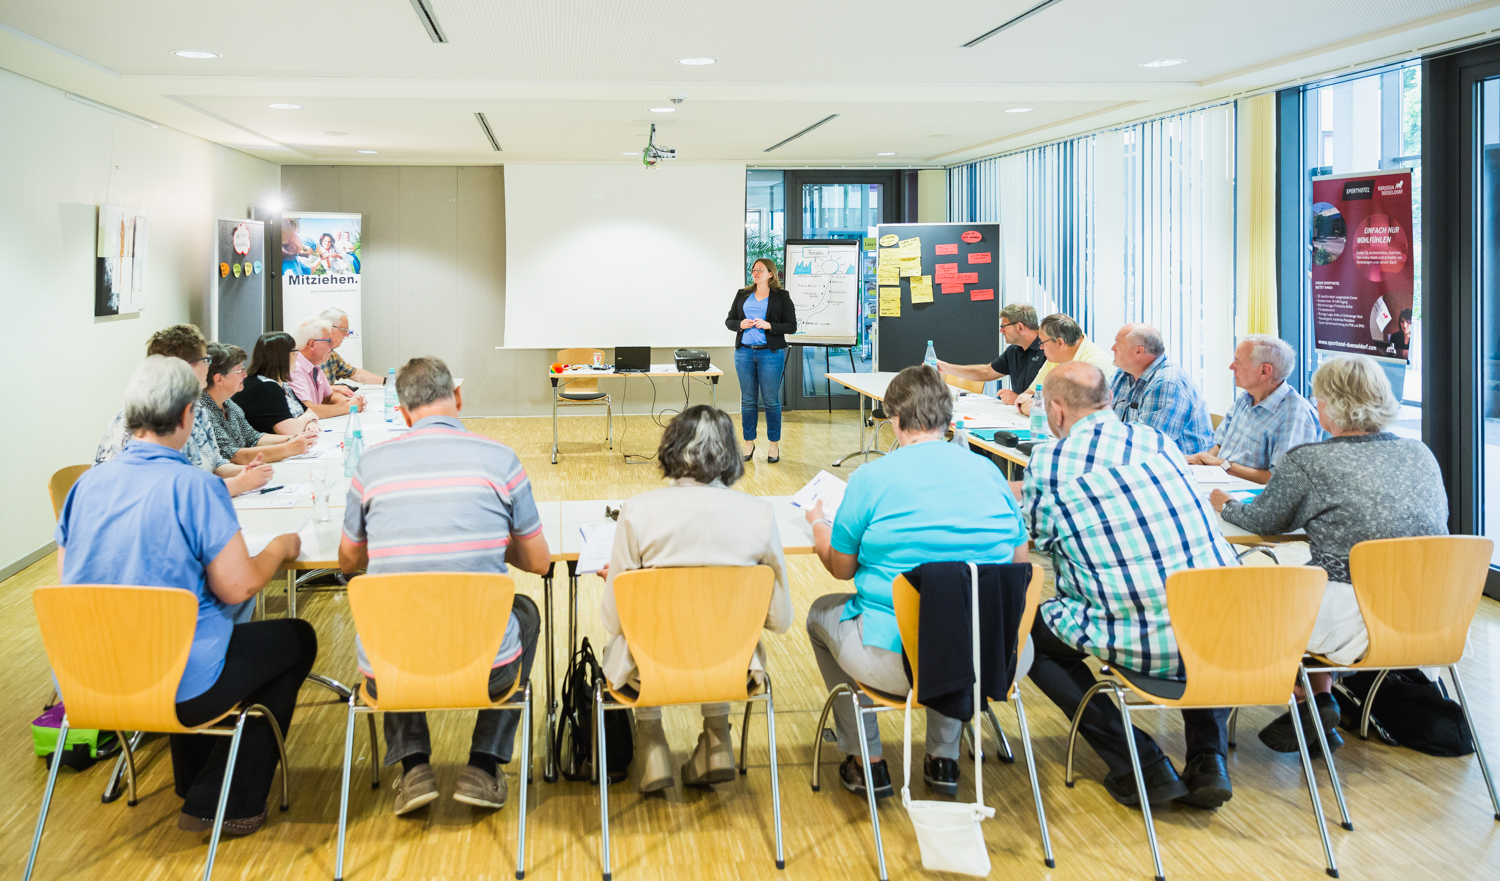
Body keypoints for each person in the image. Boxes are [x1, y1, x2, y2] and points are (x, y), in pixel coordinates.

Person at [58, 356, 314, 836]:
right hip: (179, 683)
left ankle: (194, 781)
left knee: (187, 632)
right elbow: (239, 585)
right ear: (187, 416)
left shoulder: (85, 487)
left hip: (91, 682)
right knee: (295, 639)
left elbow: (72, 587)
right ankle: (226, 796)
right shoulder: (195, 486)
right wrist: (280, 548)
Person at [804, 366, 1029, 799]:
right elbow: (1018, 564)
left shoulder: (871, 478)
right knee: (955, 604)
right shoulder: (989, 473)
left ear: (894, 418)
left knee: (820, 615)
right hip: (993, 654)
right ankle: (944, 757)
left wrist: (818, 526)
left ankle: (866, 759)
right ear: (947, 417)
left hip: (895, 659)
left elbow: (841, 568)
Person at [1023, 362, 1240, 810]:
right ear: (1108, 399)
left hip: (1137, 636)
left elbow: (1039, 539)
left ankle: (1139, 761)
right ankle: (1208, 760)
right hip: (1223, 629)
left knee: (1029, 639)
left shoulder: (1049, 461)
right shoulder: (1157, 441)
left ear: (1056, 411)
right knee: (1194, 598)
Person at [338, 356, 548, 815]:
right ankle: (484, 765)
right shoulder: (500, 459)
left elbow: (349, 561)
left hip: (393, 672)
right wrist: (491, 543)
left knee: (390, 618)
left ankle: (413, 767)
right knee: (525, 613)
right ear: (457, 396)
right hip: (486, 668)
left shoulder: (370, 465)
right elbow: (538, 561)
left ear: (402, 411)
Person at [1211, 354, 1447, 753]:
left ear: (1331, 405)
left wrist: (1226, 504)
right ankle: (1319, 700)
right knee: (1317, 579)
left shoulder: (1310, 460)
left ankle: (1305, 694)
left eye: (1318, 398)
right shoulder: (1420, 453)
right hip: (1435, 613)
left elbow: (1264, 520)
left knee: (1256, 589)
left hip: (1355, 617)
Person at [597, 405, 791, 791]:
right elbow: (780, 619)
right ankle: (718, 739)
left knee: (635, 636)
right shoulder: (760, 515)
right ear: (730, 453)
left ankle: (651, 741)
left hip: (647, 670)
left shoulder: (636, 513)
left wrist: (620, 587)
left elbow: (613, 620)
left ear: (670, 448)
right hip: (732, 669)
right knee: (716, 629)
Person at [96, 324, 272, 497]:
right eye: (206, 360)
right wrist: (240, 483)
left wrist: (246, 472)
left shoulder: (197, 409)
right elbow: (173, 492)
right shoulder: (149, 416)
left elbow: (215, 464)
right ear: (184, 367)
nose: (208, 367)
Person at [1186, 335, 1320, 484]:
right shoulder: (1246, 397)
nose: (1231, 367)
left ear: (1264, 371)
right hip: (1222, 481)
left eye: (1238, 362)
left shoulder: (1294, 416)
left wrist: (1223, 465)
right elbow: (1219, 444)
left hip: (1252, 493)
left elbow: (1282, 480)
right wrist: (1201, 461)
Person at [725, 257, 797, 463]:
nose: (755, 273)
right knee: (748, 400)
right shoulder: (743, 294)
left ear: (770, 273)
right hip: (744, 353)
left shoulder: (781, 296)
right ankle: (749, 444)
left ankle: (773, 446)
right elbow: (729, 321)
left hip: (770, 354)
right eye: (753, 270)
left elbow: (791, 326)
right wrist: (740, 324)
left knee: (771, 401)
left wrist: (769, 325)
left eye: (760, 270)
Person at [1109, 323, 1215, 455]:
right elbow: (1099, 416)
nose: (1112, 348)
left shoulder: (1167, 383)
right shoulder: (1123, 373)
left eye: (1118, 345)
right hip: (1137, 456)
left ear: (1139, 351)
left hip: (1182, 463)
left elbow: (1146, 445)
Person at [203, 343, 317, 465]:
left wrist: (292, 439)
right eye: (239, 370)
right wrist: (288, 448)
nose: (245, 375)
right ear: (219, 379)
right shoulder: (203, 411)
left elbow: (253, 437)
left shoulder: (228, 404)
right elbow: (232, 456)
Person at [935, 302, 1046, 403]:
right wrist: (947, 368)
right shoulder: (1013, 350)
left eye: (1003, 326)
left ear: (1019, 327)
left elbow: (1053, 398)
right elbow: (986, 372)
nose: (1001, 331)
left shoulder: (1048, 350)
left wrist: (1018, 398)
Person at [1015, 313, 1115, 415]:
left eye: (1043, 343)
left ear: (1060, 343)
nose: (1041, 348)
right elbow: (1026, 396)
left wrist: (1034, 407)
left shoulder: (1094, 366)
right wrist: (1037, 407)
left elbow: (1073, 414)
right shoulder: (1056, 358)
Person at [233, 332, 320, 436]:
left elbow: (308, 411)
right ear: (283, 356)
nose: (297, 355)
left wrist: (311, 422)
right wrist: (307, 418)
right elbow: (290, 431)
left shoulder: (283, 385)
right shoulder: (265, 387)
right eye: (295, 351)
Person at [291, 316, 365, 419]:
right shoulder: (294, 368)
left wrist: (350, 401)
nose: (332, 345)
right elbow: (308, 409)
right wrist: (348, 407)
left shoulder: (315, 366)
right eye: (328, 341)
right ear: (312, 344)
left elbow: (329, 397)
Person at [319, 307, 387, 391]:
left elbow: (357, 374)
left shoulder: (332, 355)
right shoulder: (308, 355)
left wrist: (387, 381)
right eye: (344, 330)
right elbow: (311, 390)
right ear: (329, 328)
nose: (347, 335)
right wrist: (336, 389)